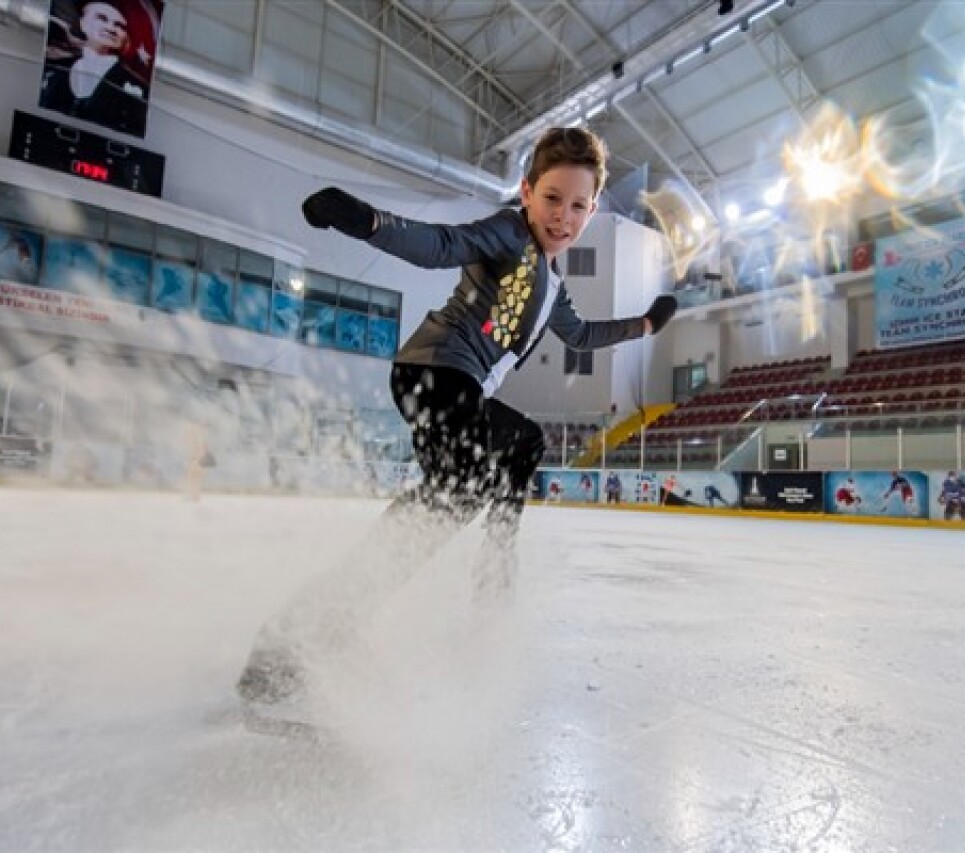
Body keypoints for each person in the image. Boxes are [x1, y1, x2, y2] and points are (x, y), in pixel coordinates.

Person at [236, 126, 678, 706]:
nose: (562, 216)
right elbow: (440, 243)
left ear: (592, 210)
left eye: (577, 205)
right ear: (526, 192)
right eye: (551, 198)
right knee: (458, 489)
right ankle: (299, 636)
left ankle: (490, 568)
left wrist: (646, 325)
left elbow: (584, 335)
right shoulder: (508, 233)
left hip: (461, 386)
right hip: (437, 371)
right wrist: (365, 221)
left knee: (520, 444)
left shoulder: (552, 286)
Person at [39, 0, 153, 136]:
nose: (111, 29)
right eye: (102, 18)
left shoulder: (140, 90)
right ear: (83, 23)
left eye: (119, 26)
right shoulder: (52, 69)